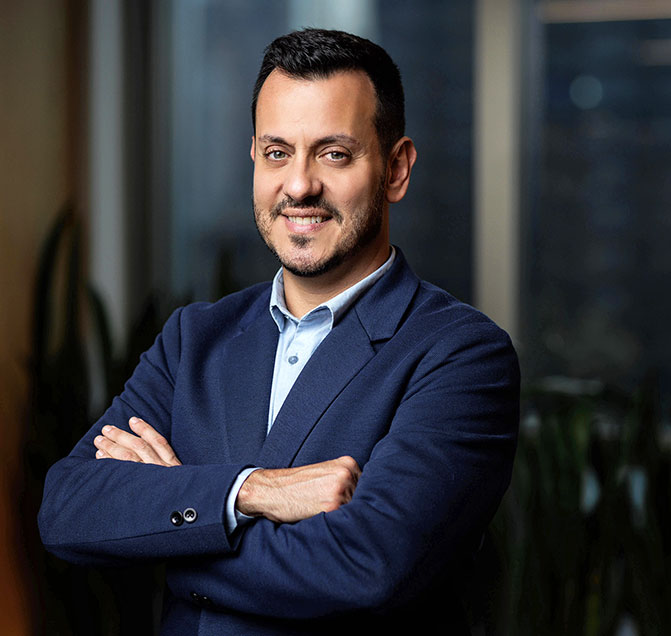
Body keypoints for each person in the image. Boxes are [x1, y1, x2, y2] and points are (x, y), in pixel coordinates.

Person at [38, 28, 520, 635]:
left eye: (333, 153)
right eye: (277, 152)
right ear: (254, 160)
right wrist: (249, 492)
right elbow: (67, 507)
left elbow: (368, 564)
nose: (299, 186)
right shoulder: (194, 339)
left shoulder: (460, 355)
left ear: (395, 169)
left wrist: (164, 532)